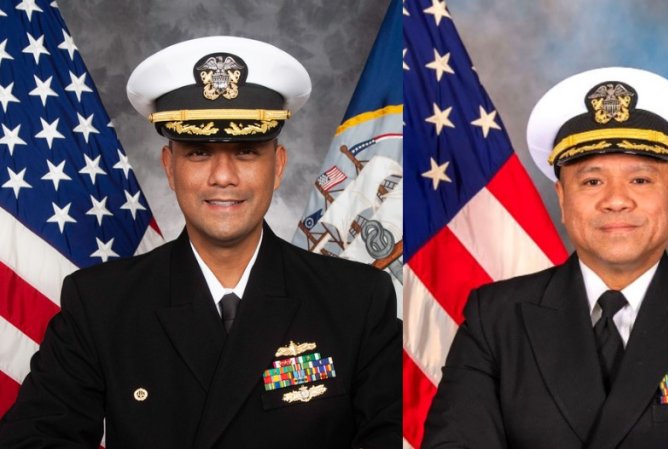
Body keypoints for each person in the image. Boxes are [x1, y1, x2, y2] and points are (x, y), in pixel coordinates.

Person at [0, 36, 401, 448]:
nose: (223, 176)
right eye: (198, 153)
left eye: (246, 152)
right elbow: (33, 440)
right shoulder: (101, 304)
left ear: (277, 167)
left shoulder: (357, 301)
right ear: (169, 168)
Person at [422, 67, 668, 448]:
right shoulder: (496, 317)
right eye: (592, 181)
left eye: (641, 180)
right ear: (564, 201)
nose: (616, 200)